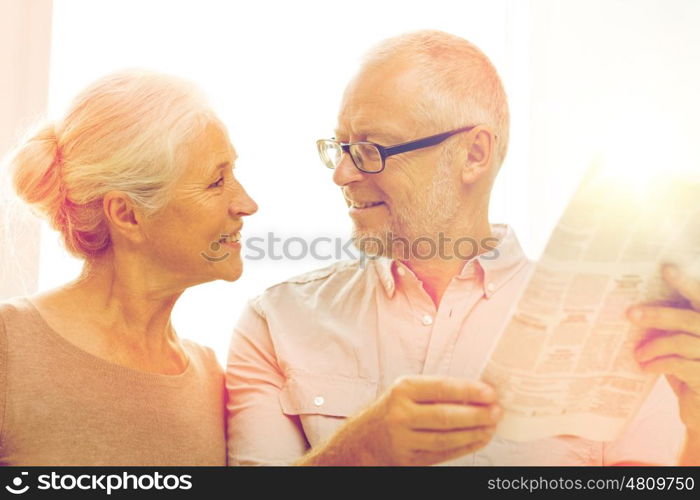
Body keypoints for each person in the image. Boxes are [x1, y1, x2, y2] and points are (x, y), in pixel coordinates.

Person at [226, 30, 694, 466]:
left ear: (473, 155)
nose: (342, 174)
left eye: (372, 148)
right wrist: (361, 452)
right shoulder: (276, 322)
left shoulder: (619, 329)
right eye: (342, 146)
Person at [0, 70, 257, 465]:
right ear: (127, 215)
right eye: (215, 182)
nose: (246, 204)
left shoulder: (212, 379)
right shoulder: (9, 347)